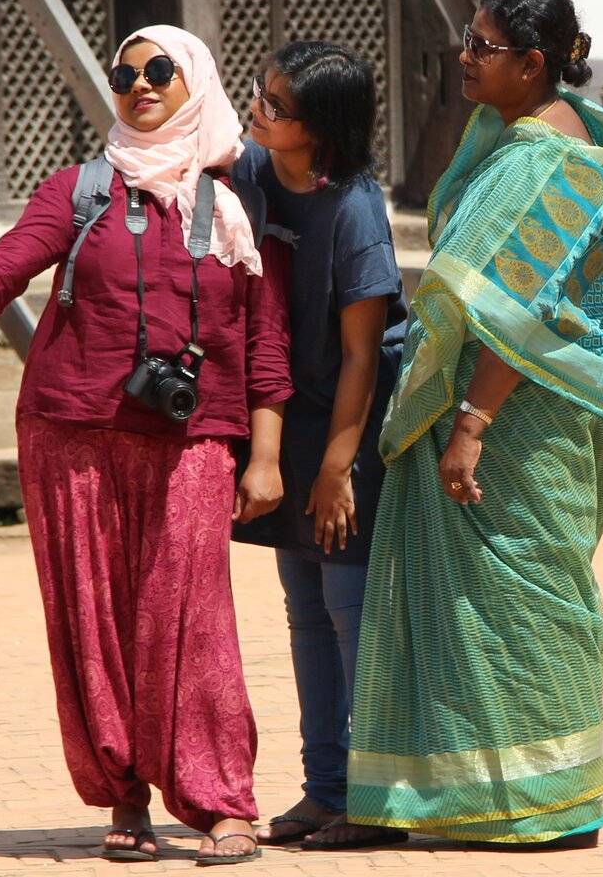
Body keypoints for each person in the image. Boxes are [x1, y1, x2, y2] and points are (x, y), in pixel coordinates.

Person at [0, 25, 293, 866]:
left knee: (192, 622)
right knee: (92, 620)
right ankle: (124, 794)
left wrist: (266, 456)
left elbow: (263, 342)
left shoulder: (239, 205)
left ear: (194, 82)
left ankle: (219, 800)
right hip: (73, 428)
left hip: (192, 437)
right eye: (125, 75)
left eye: (159, 71)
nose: (140, 85)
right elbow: (4, 266)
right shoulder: (80, 189)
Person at [346, 0, 603, 849]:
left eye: (483, 46)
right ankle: (494, 797)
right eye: (467, 40)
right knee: (497, 599)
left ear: (533, 64)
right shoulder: (576, 134)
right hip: (541, 402)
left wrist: (472, 423)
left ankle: (546, 803)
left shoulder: (542, 162)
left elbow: (522, 311)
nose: (465, 57)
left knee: (522, 597)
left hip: (515, 412)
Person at [228, 42, 409, 852]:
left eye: (276, 106)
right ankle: (324, 788)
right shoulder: (254, 173)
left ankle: (376, 798)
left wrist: (339, 468)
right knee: (304, 613)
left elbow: (364, 355)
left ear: (322, 128)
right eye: (259, 94)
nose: (258, 111)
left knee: (349, 612)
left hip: (349, 428)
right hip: (286, 425)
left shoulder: (355, 208)